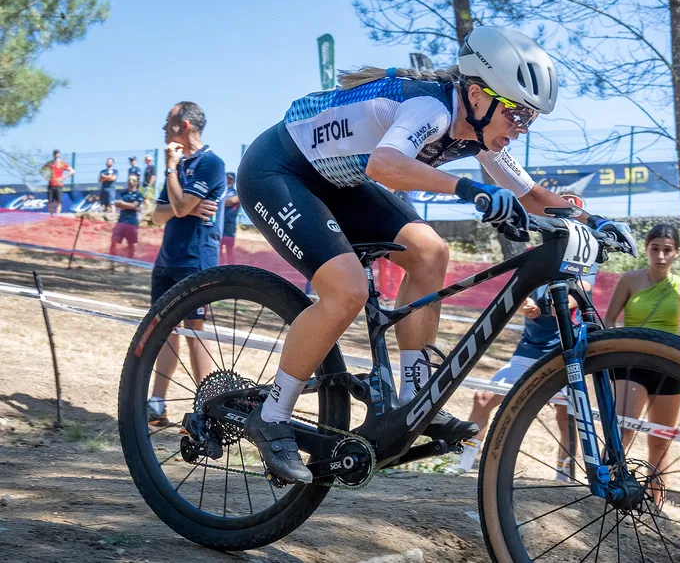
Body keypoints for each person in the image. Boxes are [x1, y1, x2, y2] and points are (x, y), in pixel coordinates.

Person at [235, 26, 637, 484]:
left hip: (339, 181)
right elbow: (385, 166)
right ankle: (272, 414)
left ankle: (412, 396)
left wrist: (594, 221)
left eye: (528, 119)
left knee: (430, 252)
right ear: (477, 95)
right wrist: (470, 189)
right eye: (517, 114)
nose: (520, 128)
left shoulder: (481, 134)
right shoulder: (431, 106)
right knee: (346, 290)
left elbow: (530, 194)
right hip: (279, 170)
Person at [449, 193, 593, 479]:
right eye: (559, 214)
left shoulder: (582, 257)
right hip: (529, 348)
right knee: (483, 398)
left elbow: (582, 291)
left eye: (571, 215)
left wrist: (542, 308)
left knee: (566, 416)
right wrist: (523, 303)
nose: (563, 220)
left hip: (565, 349)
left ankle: (564, 477)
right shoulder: (537, 252)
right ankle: (462, 463)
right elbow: (520, 290)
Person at [603, 222, 680, 505]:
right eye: (655, 249)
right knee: (623, 431)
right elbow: (609, 318)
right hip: (631, 364)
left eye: (667, 250)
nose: (660, 256)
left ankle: (657, 505)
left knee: (660, 440)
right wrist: (615, 349)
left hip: (669, 368)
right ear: (646, 250)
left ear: (676, 253)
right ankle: (608, 490)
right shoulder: (630, 280)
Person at [145, 102, 226, 427]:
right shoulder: (178, 165)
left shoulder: (211, 163)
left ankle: (207, 409)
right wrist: (182, 205)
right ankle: (156, 404)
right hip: (167, 260)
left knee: (195, 332)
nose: (164, 128)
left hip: (195, 260)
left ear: (185, 124)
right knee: (164, 333)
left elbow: (177, 207)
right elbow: (158, 214)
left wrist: (171, 174)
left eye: (168, 122)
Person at [110, 175, 144, 262]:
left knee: (131, 244)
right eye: (129, 179)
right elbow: (117, 204)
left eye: (133, 180)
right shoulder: (122, 193)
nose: (130, 181)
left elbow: (134, 205)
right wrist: (132, 207)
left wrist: (124, 204)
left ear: (136, 182)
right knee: (114, 241)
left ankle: (130, 264)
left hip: (132, 222)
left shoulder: (139, 194)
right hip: (121, 221)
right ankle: (111, 263)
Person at [40, 150, 73, 216]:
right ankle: (51, 215)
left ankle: (57, 216)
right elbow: (41, 170)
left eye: (57, 153)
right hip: (51, 184)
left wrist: (63, 178)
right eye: (55, 153)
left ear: (59, 154)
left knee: (58, 201)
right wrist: (47, 177)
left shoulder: (62, 163)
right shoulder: (50, 163)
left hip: (58, 185)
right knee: (50, 202)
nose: (56, 155)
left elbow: (72, 171)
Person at [221, 172, 239, 264]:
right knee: (218, 249)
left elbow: (233, 200)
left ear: (234, 181)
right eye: (227, 178)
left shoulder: (237, 193)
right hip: (219, 225)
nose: (228, 181)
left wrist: (220, 201)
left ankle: (231, 270)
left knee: (229, 249)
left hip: (229, 225)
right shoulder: (221, 191)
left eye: (231, 179)